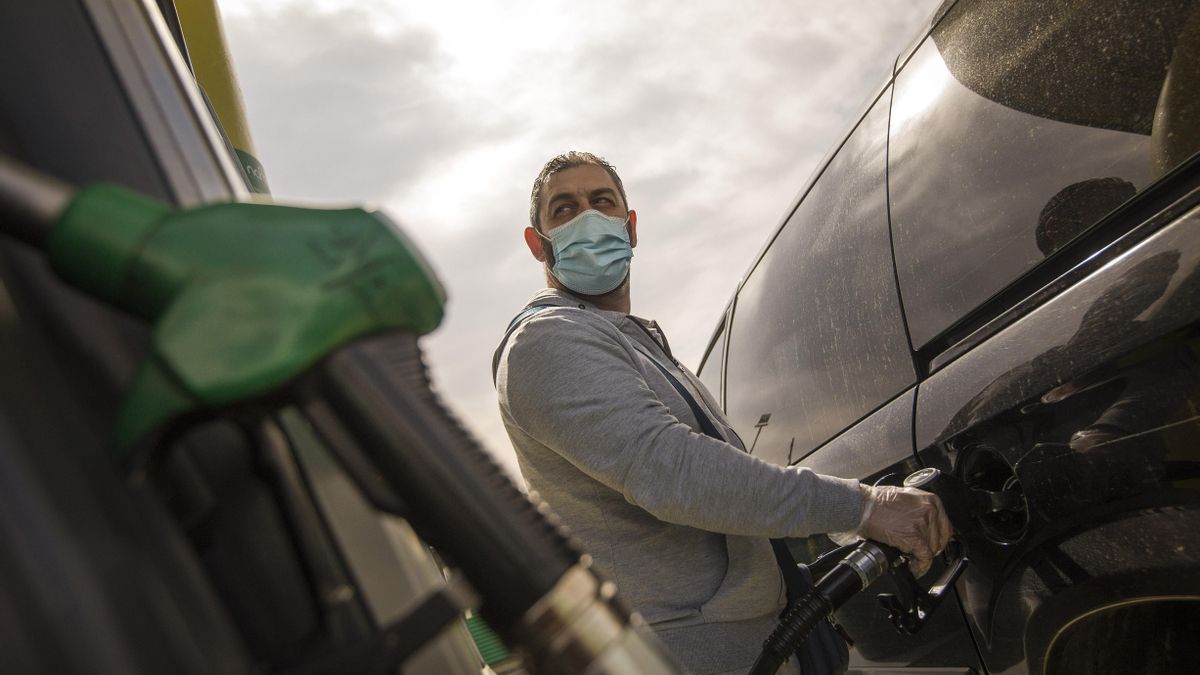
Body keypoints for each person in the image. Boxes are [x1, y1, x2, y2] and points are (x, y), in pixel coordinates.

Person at [493, 151, 951, 674]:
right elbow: (672, 469)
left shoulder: (639, 346)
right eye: (565, 209)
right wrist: (864, 507)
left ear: (630, 226)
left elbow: (730, 490)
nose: (588, 218)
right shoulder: (548, 339)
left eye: (602, 202)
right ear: (538, 243)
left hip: (760, 640)